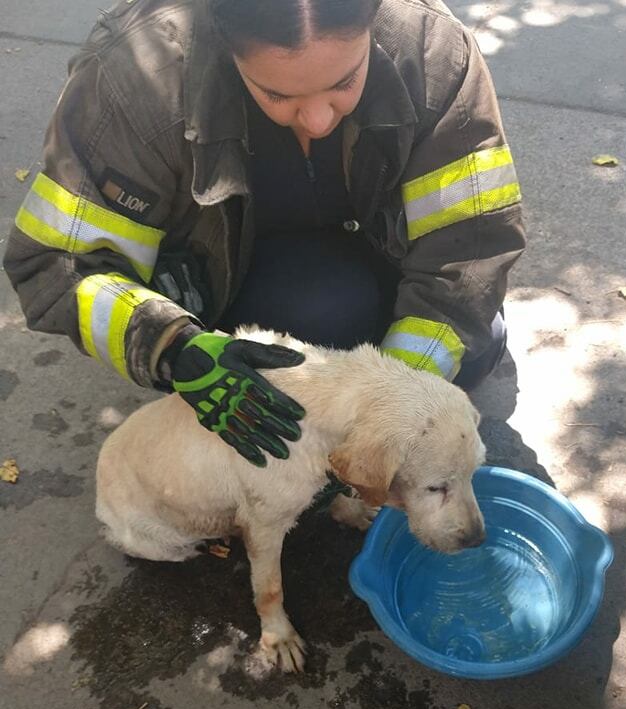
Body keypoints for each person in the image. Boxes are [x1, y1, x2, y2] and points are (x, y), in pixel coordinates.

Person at [3, 0, 525, 468]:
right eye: (276, 94)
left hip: (375, 250)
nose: (319, 120)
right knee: (309, 344)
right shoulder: (133, 79)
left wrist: (392, 394)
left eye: (345, 82)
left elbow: (472, 243)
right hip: (236, 278)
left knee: (476, 347)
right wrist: (171, 346)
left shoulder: (432, 50)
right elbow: (60, 264)